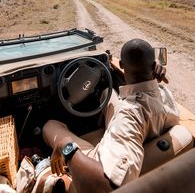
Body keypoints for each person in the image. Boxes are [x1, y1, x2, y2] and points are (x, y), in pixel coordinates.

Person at [42, 38, 180, 193]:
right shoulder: (164, 93)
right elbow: (173, 117)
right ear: (154, 67)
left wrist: (65, 145)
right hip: (138, 127)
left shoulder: (127, 117)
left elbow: (107, 188)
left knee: (50, 125)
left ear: (121, 65)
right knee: (108, 92)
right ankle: (106, 130)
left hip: (97, 160)